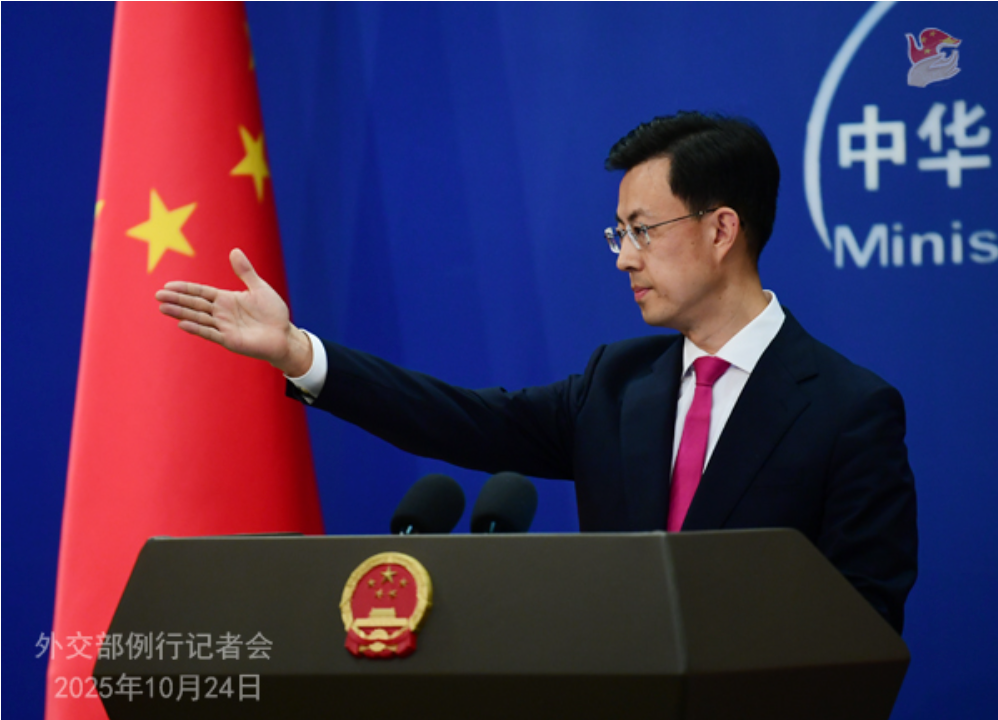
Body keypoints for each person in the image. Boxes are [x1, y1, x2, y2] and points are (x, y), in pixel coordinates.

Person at [156, 112, 917, 633]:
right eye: (619, 234)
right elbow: (464, 421)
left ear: (721, 229)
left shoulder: (848, 410)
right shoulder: (619, 384)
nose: (624, 258)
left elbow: (864, 623)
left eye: (643, 231)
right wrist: (300, 354)